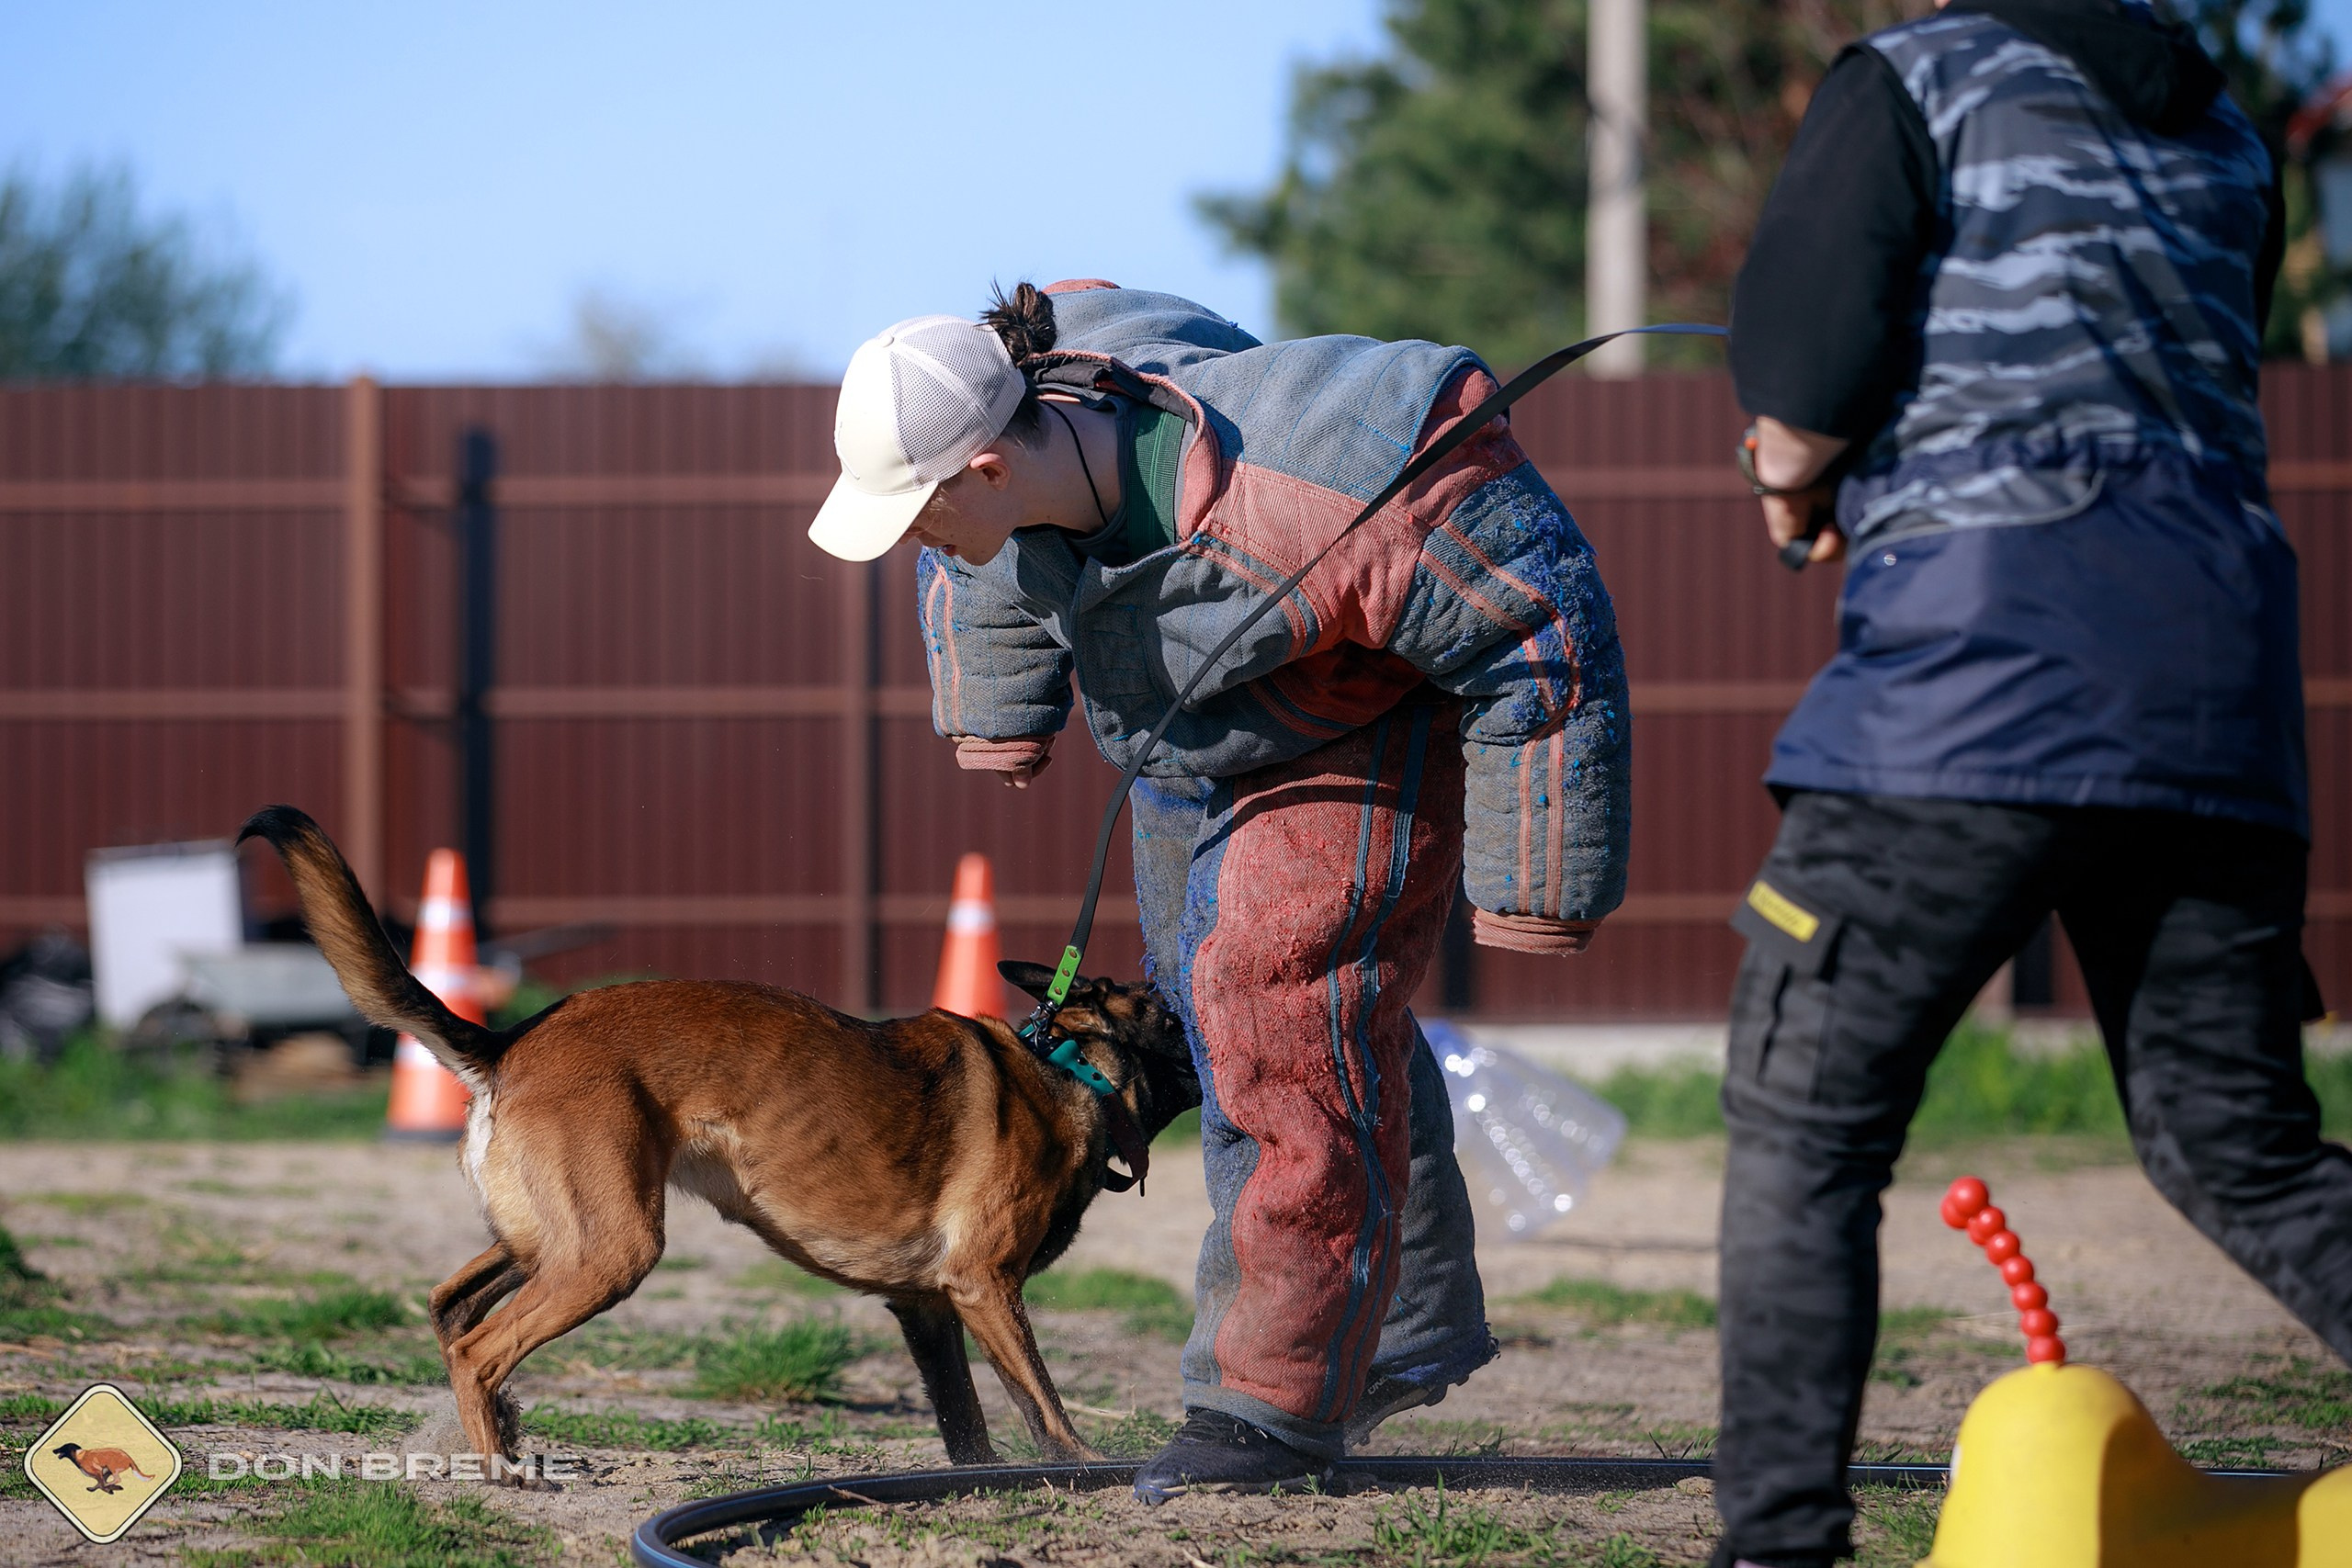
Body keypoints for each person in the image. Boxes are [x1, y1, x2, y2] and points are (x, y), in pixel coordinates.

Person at [807, 281, 1632, 1497]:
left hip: (1362, 711)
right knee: (1235, 1013)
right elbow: (982, 567)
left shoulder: (1330, 488)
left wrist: (1541, 881)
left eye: (916, 512)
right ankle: (1396, 1329)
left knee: (1273, 1014)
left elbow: (1540, 624)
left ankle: (1268, 1409)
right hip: (1191, 726)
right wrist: (997, 716)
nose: (912, 544)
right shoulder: (1017, 426)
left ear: (986, 464)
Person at [1719, 1, 2351, 1563]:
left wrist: (1793, 486)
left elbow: (1803, 389)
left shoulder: (1908, 84)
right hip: (2217, 692)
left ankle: (1780, 1543)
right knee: (2239, 1147)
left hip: (1970, 691)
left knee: (1807, 1117)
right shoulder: (2218, 122)